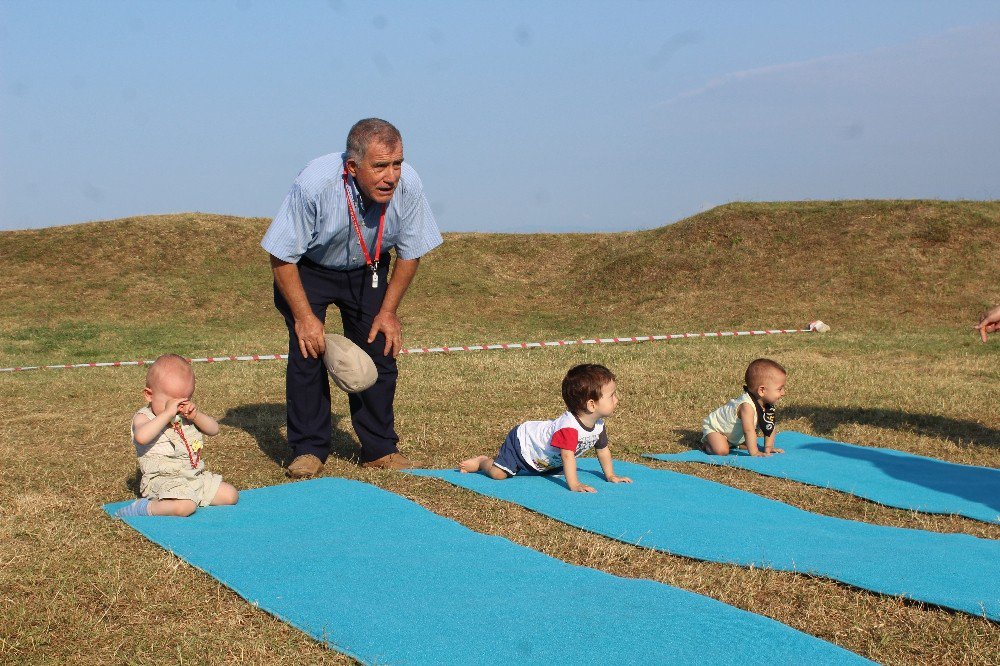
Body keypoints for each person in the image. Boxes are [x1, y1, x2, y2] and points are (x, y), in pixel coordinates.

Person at [261, 119, 442, 478]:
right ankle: (308, 449)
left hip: (369, 266)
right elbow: (281, 255)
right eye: (380, 166)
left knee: (380, 346)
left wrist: (388, 311)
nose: (391, 176)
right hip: (308, 267)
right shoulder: (315, 183)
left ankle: (379, 448)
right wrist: (303, 316)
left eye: (397, 163)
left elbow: (411, 251)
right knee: (308, 349)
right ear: (352, 167)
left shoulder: (410, 184)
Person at [459, 364, 632, 493]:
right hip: (523, 444)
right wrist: (575, 484)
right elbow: (567, 455)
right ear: (592, 405)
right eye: (611, 396)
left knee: (552, 471)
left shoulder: (598, 425)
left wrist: (610, 476)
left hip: (544, 461)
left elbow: (603, 451)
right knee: (499, 474)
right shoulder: (569, 428)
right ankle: (482, 462)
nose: (616, 400)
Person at [116, 354, 239, 517]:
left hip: (193, 477)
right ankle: (145, 508)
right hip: (163, 481)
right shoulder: (144, 417)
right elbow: (141, 437)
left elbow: (214, 429)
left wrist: (196, 416)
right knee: (185, 507)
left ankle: (190, 497)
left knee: (230, 495)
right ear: (149, 395)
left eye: (185, 400)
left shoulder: (185, 417)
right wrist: (166, 414)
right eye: (172, 402)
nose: (178, 408)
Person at [701, 358, 787, 457]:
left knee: (750, 442)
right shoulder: (747, 406)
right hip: (717, 429)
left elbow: (770, 426)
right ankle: (708, 445)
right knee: (722, 451)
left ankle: (733, 443)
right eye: (780, 389)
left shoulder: (767, 404)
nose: (783, 393)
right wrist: (754, 452)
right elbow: (748, 431)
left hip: (734, 434)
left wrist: (768, 448)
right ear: (762, 390)